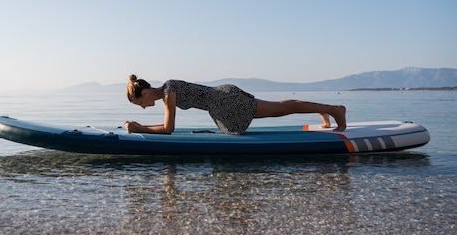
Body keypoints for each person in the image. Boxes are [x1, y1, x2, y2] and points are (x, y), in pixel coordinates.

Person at [124, 75, 347, 135]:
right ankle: (324, 109)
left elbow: (168, 129)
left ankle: (335, 110)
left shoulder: (168, 91)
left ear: (144, 92)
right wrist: (140, 127)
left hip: (227, 102)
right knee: (280, 107)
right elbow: (166, 126)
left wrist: (139, 128)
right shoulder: (166, 92)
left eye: (140, 103)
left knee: (280, 109)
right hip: (222, 102)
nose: (143, 107)